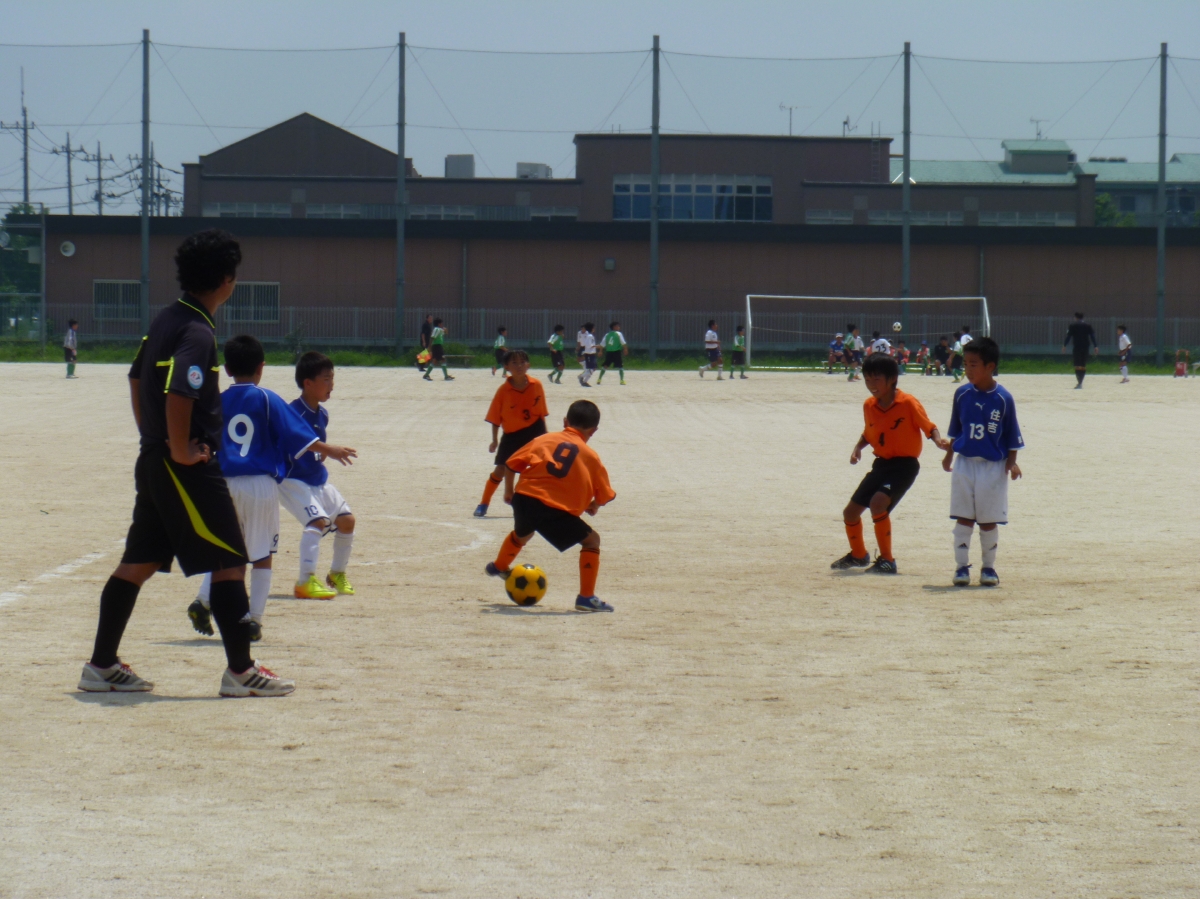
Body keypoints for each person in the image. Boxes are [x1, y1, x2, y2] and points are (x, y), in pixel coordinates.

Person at [77, 228, 294, 697]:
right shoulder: (197, 331)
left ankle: (101, 665)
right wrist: (178, 448)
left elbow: (136, 379)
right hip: (184, 466)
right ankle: (241, 672)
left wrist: (153, 437)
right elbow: (181, 391)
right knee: (230, 559)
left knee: (139, 561)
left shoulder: (165, 320)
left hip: (155, 458)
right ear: (226, 280)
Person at [189, 335, 356, 642]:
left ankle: (203, 600)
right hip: (259, 483)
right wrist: (329, 449)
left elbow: (198, 439)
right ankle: (254, 619)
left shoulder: (217, 401)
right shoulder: (267, 399)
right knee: (262, 555)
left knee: (226, 551)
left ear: (227, 369)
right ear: (261, 368)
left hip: (223, 484)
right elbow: (296, 435)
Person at [485, 399, 616, 612]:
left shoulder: (543, 440)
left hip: (524, 497)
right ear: (593, 431)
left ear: (565, 421)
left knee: (523, 534)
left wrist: (508, 491)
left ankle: (499, 566)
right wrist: (594, 504)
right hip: (550, 508)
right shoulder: (591, 456)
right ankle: (586, 597)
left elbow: (511, 463)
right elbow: (605, 494)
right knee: (592, 541)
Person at [831, 352, 949, 575]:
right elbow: (869, 433)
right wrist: (858, 447)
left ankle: (887, 560)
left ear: (892, 379)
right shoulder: (869, 405)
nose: (871, 385)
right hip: (881, 465)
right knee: (850, 513)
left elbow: (928, 426)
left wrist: (937, 440)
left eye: (876, 379)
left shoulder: (908, 403)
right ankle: (858, 555)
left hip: (904, 466)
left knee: (878, 504)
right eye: (867, 379)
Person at [942, 336, 1024, 587]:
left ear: (990, 366)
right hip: (965, 464)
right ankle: (961, 567)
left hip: (992, 467)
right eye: (965, 364)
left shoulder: (1003, 398)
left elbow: (1011, 435)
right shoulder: (962, 394)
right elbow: (956, 430)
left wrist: (1012, 462)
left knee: (988, 520)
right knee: (963, 517)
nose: (967, 370)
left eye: (973, 364)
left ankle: (988, 568)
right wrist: (948, 455)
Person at [278, 352, 360, 600]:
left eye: (332, 378)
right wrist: (330, 450)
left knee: (347, 521)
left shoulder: (322, 414)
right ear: (308, 383)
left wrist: (321, 454)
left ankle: (337, 574)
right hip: (293, 480)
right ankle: (305, 582)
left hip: (316, 479)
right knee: (317, 522)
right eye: (326, 379)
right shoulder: (292, 413)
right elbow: (297, 442)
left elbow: (313, 448)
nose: (331, 384)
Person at [475, 350, 548, 518]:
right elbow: (495, 417)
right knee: (501, 469)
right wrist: (494, 440)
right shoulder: (503, 390)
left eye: (522, 362)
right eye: (514, 363)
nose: (519, 366)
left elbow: (541, 413)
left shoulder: (536, 385)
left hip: (535, 431)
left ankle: (540, 504)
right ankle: (484, 503)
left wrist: (545, 436)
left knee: (539, 468)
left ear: (528, 365)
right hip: (512, 434)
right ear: (506, 367)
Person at [1062, 312, 1098, 388]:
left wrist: (1064, 345)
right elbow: (1092, 336)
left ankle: (1079, 382)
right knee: (1083, 364)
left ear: (1076, 317)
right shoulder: (1088, 326)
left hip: (1077, 346)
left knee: (1077, 364)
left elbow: (1068, 336)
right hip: (1085, 347)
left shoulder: (1072, 326)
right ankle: (1081, 381)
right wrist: (1095, 346)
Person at [577, 322, 598, 387]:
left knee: (593, 368)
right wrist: (597, 346)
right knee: (591, 369)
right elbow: (588, 345)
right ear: (591, 328)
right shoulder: (589, 336)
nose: (594, 329)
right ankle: (581, 377)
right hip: (589, 354)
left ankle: (585, 381)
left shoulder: (590, 335)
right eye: (593, 328)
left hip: (592, 354)